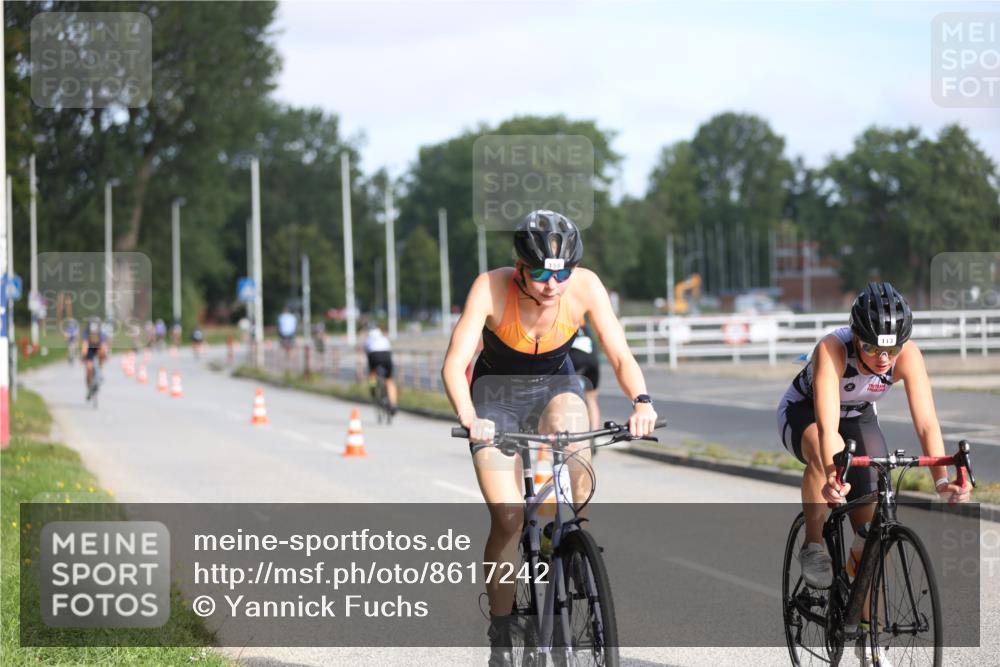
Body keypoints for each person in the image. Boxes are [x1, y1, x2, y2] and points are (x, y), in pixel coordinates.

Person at [441, 210, 658, 666]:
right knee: (507, 517)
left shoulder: (585, 287)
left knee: (578, 450)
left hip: (556, 385)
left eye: (561, 273)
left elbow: (619, 353)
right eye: (540, 273)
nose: (551, 284)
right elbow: (454, 362)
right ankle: (501, 633)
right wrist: (469, 416)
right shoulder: (490, 288)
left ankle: (567, 540)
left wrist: (642, 402)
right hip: (494, 395)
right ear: (519, 268)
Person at [776, 282, 972, 665]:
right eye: (871, 348)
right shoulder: (832, 349)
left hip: (860, 417)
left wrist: (942, 480)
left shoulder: (908, 356)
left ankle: (869, 635)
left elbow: (928, 424)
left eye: (891, 350)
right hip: (807, 413)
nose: (883, 359)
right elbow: (829, 427)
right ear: (857, 337)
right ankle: (814, 545)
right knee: (822, 448)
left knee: (872, 540)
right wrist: (836, 475)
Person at [569, 320, 602, 452]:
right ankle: (593, 436)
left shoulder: (564, 325)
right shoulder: (586, 328)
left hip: (573, 360)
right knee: (592, 399)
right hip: (591, 363)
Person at [363, 322, 397, 413]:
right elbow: (390, 349)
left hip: (374, 355)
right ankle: (393, 404)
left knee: (372, 373)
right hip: (386, 355)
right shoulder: (383, 337)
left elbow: (367, 352)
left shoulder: (368, 339)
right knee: (389, 380)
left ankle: (373, 388)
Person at [81, 319, 109, 399]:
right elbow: (84, 345)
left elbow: (104, 345)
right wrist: (83, 355)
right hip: (90, 349)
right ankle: (89, 387)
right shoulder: (86, 332)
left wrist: (104, 354)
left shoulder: (101, 333)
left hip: (98, 348)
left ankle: (100, 372)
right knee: (89, 368)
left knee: (102, 353)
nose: (93, 334)